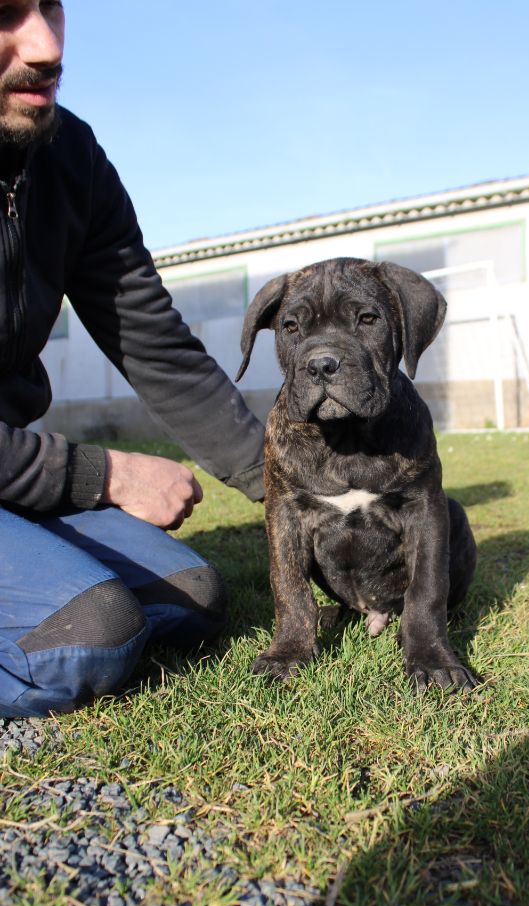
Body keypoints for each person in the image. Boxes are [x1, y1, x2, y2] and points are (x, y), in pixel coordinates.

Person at [0, 1, 265, 718]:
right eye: (5, 14)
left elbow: (156, 346)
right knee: (87, 636)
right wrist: (106, 474)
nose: (46, 45)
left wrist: (293, 485)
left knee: (192, 598)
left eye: (52, 8)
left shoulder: (69, 157)